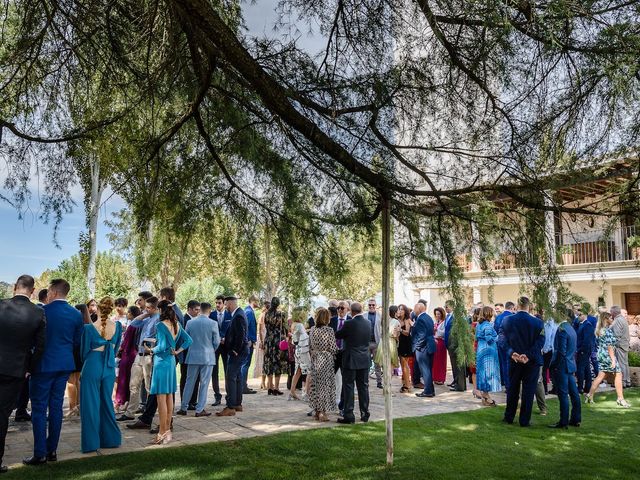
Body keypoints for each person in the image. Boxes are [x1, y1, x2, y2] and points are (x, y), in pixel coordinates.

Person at [24, 279, 83, 466]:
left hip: (43, 365)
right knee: (56, 407)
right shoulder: (76, 314)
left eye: (49, 291)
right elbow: (76, 341)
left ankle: (40, 453)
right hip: (64, 364)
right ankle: (52, 451)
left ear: (54, 292)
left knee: (39, 409)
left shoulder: (42, 311)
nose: (47, 294)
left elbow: (32, 340)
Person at [0, 275, 46, 474]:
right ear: (33, 291)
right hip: (16, 369)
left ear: (14, 288)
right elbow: (41, 346)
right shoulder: (37, 312)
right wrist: (30, 367)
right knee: (2, 414)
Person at [80, 297, 122, 453]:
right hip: (109, 367)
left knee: (90, 405)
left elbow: (84, 352)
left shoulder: (89, 328)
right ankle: (111, 439)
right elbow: (116, 348)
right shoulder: (117, 327)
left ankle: (91, 443)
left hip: (92, 365)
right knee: (107, 402)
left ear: (97, 309)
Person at [147, 300, 192, 444]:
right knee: (169, 398)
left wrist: (151, 350)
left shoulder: (160, 325)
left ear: (161, 310)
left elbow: (162, 346)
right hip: (171, 362)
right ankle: (167, 432)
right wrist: (178, 351)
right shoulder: (176, 324)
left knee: (161, 400)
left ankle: (162, 433)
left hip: (161, 363)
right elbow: (188, 340)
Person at [501, 296, 545, 427]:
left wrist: (511, 352)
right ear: (528, 306)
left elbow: (502, 339)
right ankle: (524, 420)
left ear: (517, 306)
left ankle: (509, 416)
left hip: (515, 360)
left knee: (512, 388)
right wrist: (528, 355)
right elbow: (541, 342)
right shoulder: (537, 322)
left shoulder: (507, 320)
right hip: (530, 361)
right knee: (528, 390)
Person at [117, 296, 160, 421]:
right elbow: (134, 323)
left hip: (149, 356)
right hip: (139, 355)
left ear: (154, 308)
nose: (144, 310)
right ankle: (130, 412)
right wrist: (145, 315)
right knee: (133, 384)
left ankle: (149, 414)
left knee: (148, 386)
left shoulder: (158, 320)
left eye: (147, 308)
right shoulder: (147, 319)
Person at [177, 302, 220, 417]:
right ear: (209, 311)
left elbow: (186, 338)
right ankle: (199, 409)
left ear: (200, 310)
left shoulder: (190, 323)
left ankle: (183, 407)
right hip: (207, 356)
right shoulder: (213, 323)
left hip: (192, 355)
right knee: (204, 383)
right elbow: (217, 341)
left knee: (189, 382)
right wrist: (212, 349)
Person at [335, 302, 371, 423]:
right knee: (363, 387)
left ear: (351, 311)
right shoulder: (368, 323)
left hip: (351, 359)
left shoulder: (348, 323)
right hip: (364, 359)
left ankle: (349, 415)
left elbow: (338, 335)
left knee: (349, 387)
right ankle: (365, 413)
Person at [585, 312, 630, 407]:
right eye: (611, 318)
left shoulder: (599, 330)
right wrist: (613, 360)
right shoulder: (607, 331)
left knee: (601, 376)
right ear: (606, 319)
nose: (612, 320)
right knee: (618, 374)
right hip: (608, 355)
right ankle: (620, 399)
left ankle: (589, 395)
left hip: (601, 354)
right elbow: (609, 347)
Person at [548, 307, 581, 429]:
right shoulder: (571, 329)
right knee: (574, 393)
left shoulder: (562, 329)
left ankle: (563, 421)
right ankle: (576, 418)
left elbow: (560, 351)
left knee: (563, 394)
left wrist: (553, 365)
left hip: (562, 365)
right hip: (570, 364)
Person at [216, 295, 249, 417]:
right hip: (240, 351)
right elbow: (236, 334)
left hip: (238, 352)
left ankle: (230, 406)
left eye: (226, 304)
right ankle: (237, 404)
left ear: (229, 303)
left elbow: (241, 334)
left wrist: (235, 349)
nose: (225, 307)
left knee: (230, 377)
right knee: (238, 377)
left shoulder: (238, 315)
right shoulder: (239, 313)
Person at [308, 308, 338, 422]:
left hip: (315, 359)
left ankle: (316, 411)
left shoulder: (312, 329)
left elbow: (310, 346)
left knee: (316, 385)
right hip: (326, 360)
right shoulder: (329, 330)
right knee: (324, 387)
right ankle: (322, 412)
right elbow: (333, 348)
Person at [115, 305, 141, 414]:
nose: (127, 314)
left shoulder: (132, 326)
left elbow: (126, 342)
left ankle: (121, 402)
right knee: (130, 380)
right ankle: (128, 402)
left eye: (129, 312)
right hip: (134, 354)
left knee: (124, 379)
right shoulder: (139, 324)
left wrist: (119, 351)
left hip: (128, 354)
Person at [475, 306, 501, 406]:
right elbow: (489, 338)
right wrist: (499, 337)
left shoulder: (479, 324)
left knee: (483, 372)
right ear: (489, 313)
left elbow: (477, 337)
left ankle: (485, 395)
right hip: (488, 351)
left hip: (481, 349)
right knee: (488, 372)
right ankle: (486, 395)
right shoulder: (487, 325)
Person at [262, 297, 288, 395]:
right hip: (278, 341)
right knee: (278, 363)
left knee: (269, 363)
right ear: (278, 304)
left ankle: (269, 387)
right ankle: (276, 388)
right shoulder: (281, 314)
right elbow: (285, 328)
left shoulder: (266, 314)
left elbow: (266, 326)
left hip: (268, 340)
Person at [411, 301, 436, 398]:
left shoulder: (421, 319)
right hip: (430, 346)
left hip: (423, 348)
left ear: (419, 309)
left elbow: (422, 335)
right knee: (428, 370)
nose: (413, 310)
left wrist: (417, 347)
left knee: (425, 370)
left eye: (415, 308)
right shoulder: (428, 317)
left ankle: (428, 391)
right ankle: (430, 390)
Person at [179, 300, 201, 411]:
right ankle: (185, 401)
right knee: (186, 379)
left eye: (199, 310)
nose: (198, 312)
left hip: (195, 355)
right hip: (186, 354)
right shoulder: (184, 320)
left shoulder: (195, 320)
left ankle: (193, 401)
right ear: (189, 309)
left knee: (195, 379)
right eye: (196, 309)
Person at [210, 295, 231, 406]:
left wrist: (225, 338)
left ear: (224, 303)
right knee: (214, 372)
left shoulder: (229, 315)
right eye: (216, 303)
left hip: (226, 346)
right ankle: (217, 396)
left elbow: (232, 330)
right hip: (215, 347)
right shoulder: (211, 315)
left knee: (227, 371)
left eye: (219, 303)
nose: (217, 305)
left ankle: (229, 396)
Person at [289, 308, 311, 401]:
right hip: (303, 350)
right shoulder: (300, 325)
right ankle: (307, 393)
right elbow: (305, 336)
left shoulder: (294, 325)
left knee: (297, 371)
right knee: (309, 370)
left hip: (297, 349)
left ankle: (292, 391)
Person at [495, 301, 516, 389]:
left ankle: (505, 382)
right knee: (511, 364)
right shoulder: (513, 317)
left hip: (501, 342)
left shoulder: (498, 317)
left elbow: (496, 329)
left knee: (503, 363)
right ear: (512, 308)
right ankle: (510, 384)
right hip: (511, 344)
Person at [576, 305, 595, 394]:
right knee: (586, 369)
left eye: (580, 315)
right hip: (582, 349)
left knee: (580, 369)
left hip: (584, 350)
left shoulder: (587, 325)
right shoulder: (581, 324)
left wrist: (581, 350)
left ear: (584, 315)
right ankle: (588, 387)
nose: (578, 317)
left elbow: (586, 340)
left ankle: (580, 387)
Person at [242, 295, 259, 395]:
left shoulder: (249, 311)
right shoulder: (248, 312)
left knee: (246, 364)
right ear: (253, 301)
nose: (258, 303)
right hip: (248, 342)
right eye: (257, 301)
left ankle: (244, 385)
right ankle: (243, 386)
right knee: (245, 364)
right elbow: (245, 326)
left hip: (250, 341)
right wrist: (248, 340)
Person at [611, 306, 631, 388]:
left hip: (620, 346)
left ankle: (622, 382)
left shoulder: (618, 320)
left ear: (614, 312)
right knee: (625, 364)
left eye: (611, 312)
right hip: (624, 344)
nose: (610, 314)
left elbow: (617, 335)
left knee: (621, 364)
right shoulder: (622, 319)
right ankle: (627, 381)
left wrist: (614, 345)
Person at [366, 299, 383, 389]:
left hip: (376, 342)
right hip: (366, 343)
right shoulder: (364, 316)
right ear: (367, 306)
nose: (371, 306)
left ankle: (379, 381)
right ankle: (366, 381)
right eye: (370, 305)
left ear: (375, 305)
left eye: (373, 305)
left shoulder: (380, 316)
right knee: (367, 363)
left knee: (377, 363)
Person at [397, 304, 414, 392]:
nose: (400, 311)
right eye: (399, 309)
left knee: (405, 365)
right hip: (399, 344)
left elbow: (407, 332)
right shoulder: (397, 320)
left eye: (402, 309)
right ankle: (404, 383)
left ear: (405, 311)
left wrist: (400, 330)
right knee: (402, 364)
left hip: (406, 343)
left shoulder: (407, 320)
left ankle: (408, 385)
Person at [541, 314, 558, 395]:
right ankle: (555, 388)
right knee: (552, 370)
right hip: (554, 349)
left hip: (549, 350)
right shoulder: (556, 322)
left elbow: (547, 337)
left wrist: (545, 349)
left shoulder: (548, 322)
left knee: (544, 370)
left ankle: (545, 389)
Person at [254, 300, 269, 389]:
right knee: (264, 361)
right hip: (262, 339)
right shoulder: (263, 315)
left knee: (266, 361)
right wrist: (262, 342)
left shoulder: (267, 315)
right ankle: (263, 382)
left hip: (266, 338)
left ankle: (264, 382)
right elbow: (259, 329)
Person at [432, 307, 447, 385]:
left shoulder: (444, 322)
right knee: (435, 361)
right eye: (436, 314)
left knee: (441, 361)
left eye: (438, 314)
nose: (437, 315)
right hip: (435, 341)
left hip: (441, 342)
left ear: (442, 314)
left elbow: (443, 332)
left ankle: (441, 378)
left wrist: (436, 330)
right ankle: (435, 377)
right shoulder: (436, 322)